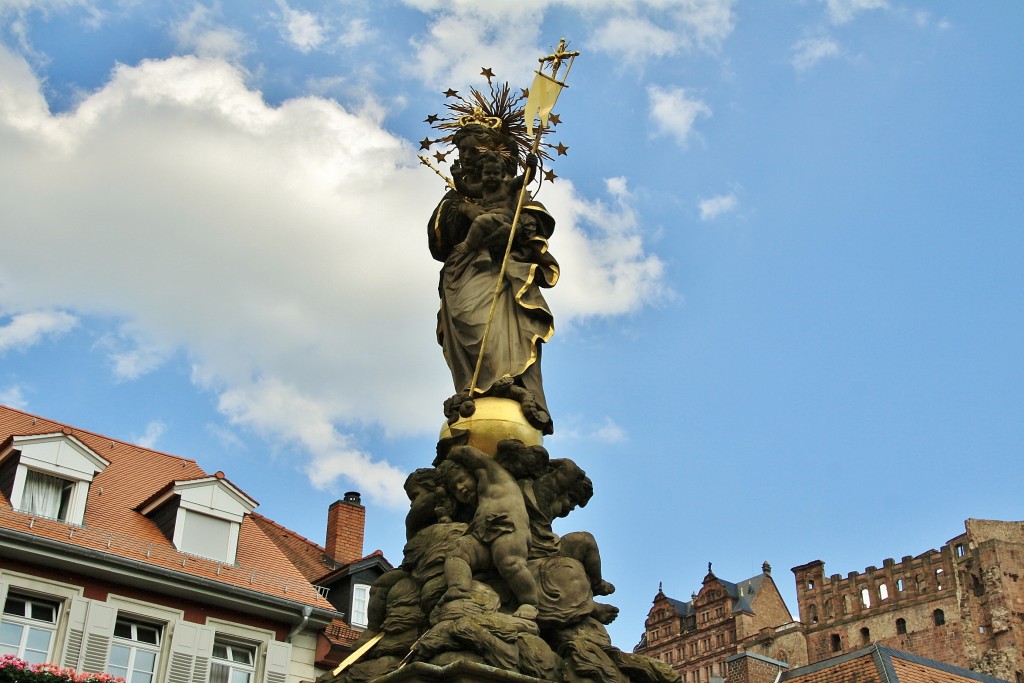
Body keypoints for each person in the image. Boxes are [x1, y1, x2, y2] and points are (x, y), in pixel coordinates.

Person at [428, 123, 558, 434]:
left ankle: (509, 383)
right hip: (463, 271)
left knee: (497, 330)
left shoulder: (515, 192)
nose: (469, 157)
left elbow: (530, 224)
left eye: (476, 150)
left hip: (501, 274)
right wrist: (464, 210)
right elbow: (438, 243)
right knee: (468, 322)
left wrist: (518, 227)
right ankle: (475, 386)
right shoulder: (456, 197)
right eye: (464, 151)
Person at [439, 444, 540, 619]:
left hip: (508, 527)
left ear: (473, 473)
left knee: (510, 562)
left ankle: (530, 603)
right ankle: (459, 590)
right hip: (484, 535)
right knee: (457, 551)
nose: (461, 488)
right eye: (455, 489)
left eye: (462, 479)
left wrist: (450, 452)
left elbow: (474, 456)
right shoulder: (478, 503)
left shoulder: (493, 475)